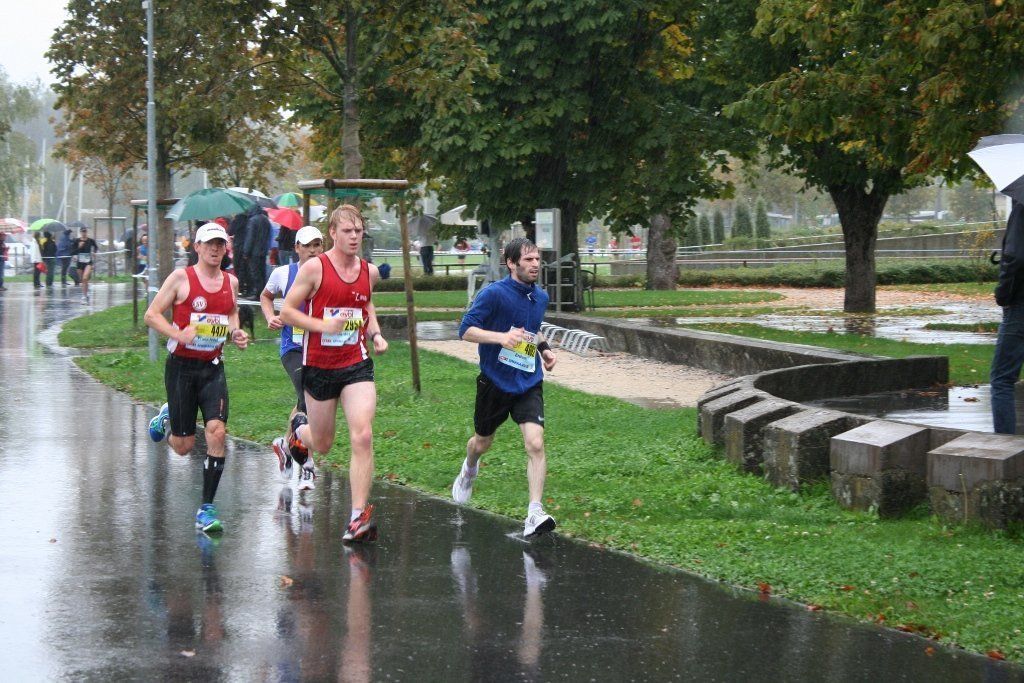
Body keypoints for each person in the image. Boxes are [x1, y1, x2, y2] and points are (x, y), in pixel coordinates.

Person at [279, 204, 388, 543]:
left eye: (359, 231)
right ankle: (299, 432)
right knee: (323, 444)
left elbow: (365, 304)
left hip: (356, 363)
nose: (354, 237)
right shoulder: (315, 268)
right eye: (347, 231)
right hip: (319, 366)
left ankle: (357, 516)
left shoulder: (369, 272)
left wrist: (375, 333)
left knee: (363, 435)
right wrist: (322, 325)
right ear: (333, 233)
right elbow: (287, 311)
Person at [144, 223, 250, 532]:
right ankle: (167, 418)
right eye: (210, 244)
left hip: (212, 367)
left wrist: (236, 332)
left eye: (221, 244)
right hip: (181, 368)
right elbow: (151, 315)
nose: (216, 249)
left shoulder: (231, 282)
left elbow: (230, 312)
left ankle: (206, 508)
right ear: (198, 247)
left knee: (217, 432)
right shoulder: (181, 278)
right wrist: (178, 333)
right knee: (183, 446)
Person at [451, 237, 558, 538]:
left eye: (537, 259)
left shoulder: (540, 297)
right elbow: (465, 330)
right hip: (495, 382)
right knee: (481, 442)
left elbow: (533, 330)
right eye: (528, 260)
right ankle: (469, 468)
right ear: (511, 263)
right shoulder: (493, 294)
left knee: (535, 443)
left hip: (528, 381)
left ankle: (534, 513)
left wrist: (545, 350)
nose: (535, 264)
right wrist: (501, 338)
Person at [260, 225, 325, 488]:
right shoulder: (283, 273)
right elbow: (265, 296)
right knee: (308, 395)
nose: (313, 250)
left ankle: (286, 446)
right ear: (297, 248)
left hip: (320, 348)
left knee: (303, 402)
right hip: (293, 348)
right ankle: (307, 466)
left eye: (317, 245)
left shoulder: (328, 273)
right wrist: (270, 317)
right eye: (307, 245)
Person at [991, 199, 1024, 434]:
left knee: (1002, 379)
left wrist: (1003, 294)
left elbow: (1015, 258)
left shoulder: (1022, 208)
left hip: (1020, 304)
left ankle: (1004, 447)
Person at [73, 227, 99, 303]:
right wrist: (79, 247)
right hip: (79, 262)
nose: (84, 233)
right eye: (82, 232)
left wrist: (94, 252)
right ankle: (85, 294)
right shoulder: (76, 241)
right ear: (80, 232)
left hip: (88, 262)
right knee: (82, 280)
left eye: (85, 232)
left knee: (85, 278)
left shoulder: (90, 240)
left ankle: (84, 296)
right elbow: (72, 251)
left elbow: (96, 247)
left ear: (86, 232)